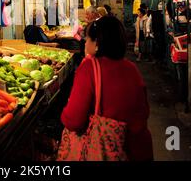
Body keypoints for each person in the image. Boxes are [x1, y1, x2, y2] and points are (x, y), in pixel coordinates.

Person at [61, 16, 153, 161]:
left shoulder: (89, 67)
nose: (85, 43)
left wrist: (63, 115)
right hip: (136, 149)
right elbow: (142, 112)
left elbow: (74, 121)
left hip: (104, 151)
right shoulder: (132, 68)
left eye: (87, 39)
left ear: (96, 43)